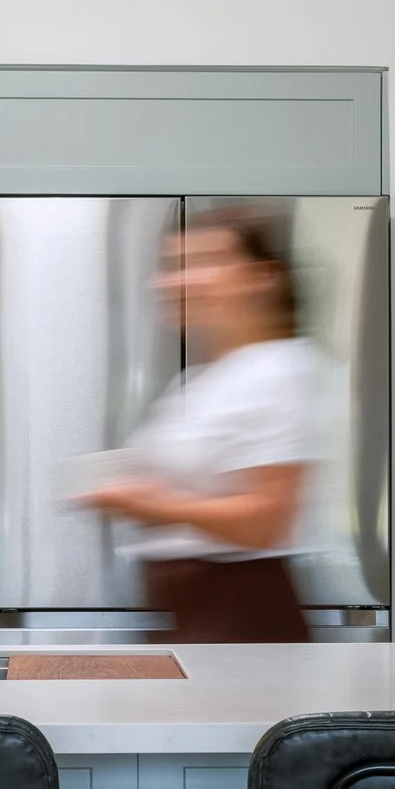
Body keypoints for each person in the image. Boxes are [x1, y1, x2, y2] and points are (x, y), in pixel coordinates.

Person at [78, 208, 326, 644]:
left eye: (204, 262)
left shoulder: (281, 368)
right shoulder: (202, 379)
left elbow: (265, 521)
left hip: (241, 619)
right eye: (172, 266)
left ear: (260, 277)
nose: (174, 281)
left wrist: (146, 505)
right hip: (190, 617)